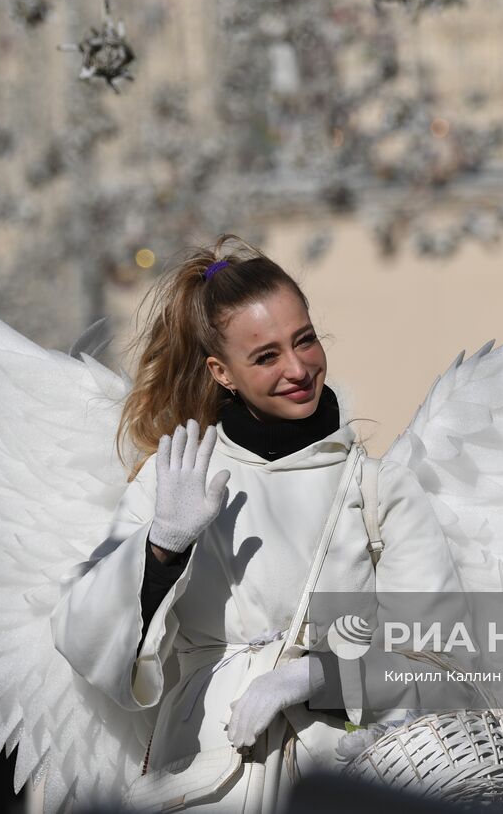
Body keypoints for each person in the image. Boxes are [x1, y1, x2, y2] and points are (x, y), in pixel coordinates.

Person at [50, 236, 470, 812]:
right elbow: (83, 640)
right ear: (222, 372)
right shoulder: (172, 479)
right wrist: (161, 549)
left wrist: (316, 679)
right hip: (199, 789)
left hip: (340, 787)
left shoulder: (381, 489)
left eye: (305, 340)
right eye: (266, 356)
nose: (298, 368)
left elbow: (443, 663)